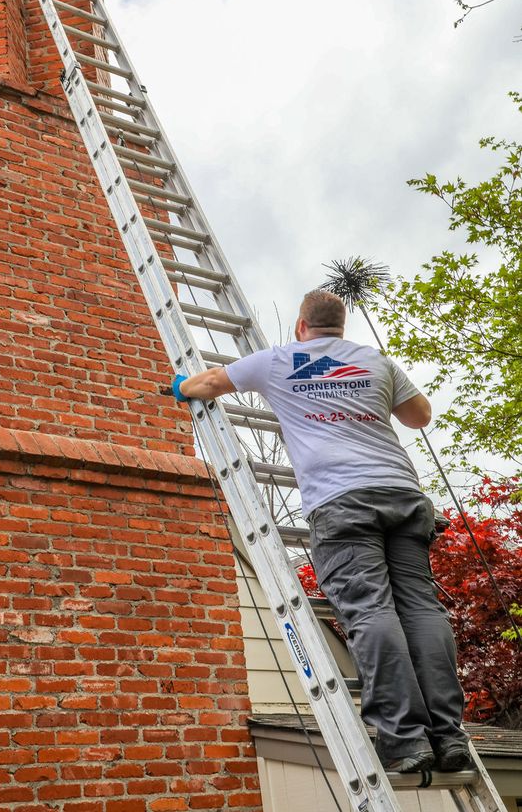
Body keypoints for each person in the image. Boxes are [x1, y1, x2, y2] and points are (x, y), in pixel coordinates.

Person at [172, 289, 471, 774]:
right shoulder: (374, 361)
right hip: (402, 493)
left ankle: (405, 741)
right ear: (342, 327)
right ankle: (448, 735)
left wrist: (181, 386)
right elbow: (419, 417)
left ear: (300, 325)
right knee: (419, 606)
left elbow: (208, 383)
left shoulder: (276, 361)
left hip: (341, 500)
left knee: (371, 609)